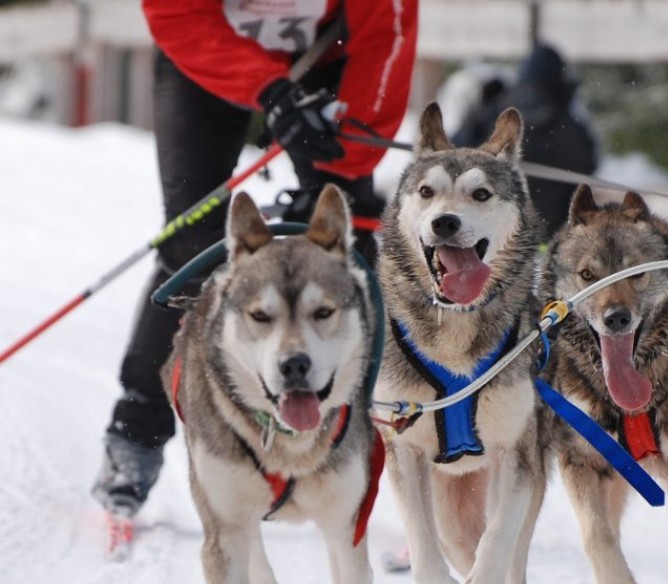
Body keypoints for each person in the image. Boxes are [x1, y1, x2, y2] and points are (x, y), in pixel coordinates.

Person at [91, 0, 418, 518]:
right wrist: (270, 92)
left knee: (347, 237)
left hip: (327, 52)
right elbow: (175, 14)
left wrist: (344, 157)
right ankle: (135, 432)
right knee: (192, 246)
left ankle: (392, 444)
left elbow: (388, 33)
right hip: (205, 51)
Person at [452, 43, 600, 240]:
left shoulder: (495, 112)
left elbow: (453, 153)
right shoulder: (571, 127)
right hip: (547, 236)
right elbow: (589, 169)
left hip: (488, 234)